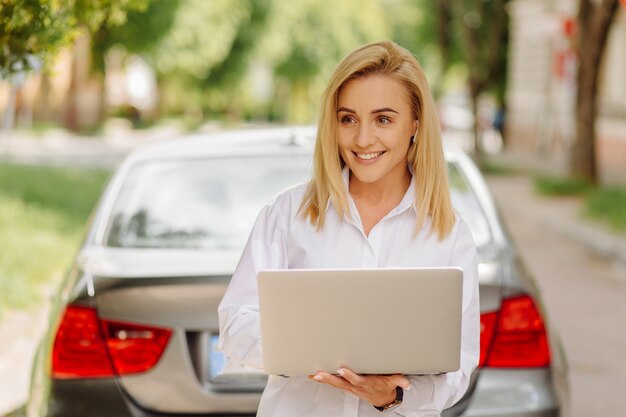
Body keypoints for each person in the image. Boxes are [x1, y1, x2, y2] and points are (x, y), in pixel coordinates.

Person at [218, 40, 480, 417]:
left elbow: (458, 368)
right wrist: (312, 352)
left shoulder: (449, 234)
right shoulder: (288, 214)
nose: (362, 139)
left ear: (415, 125)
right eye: (348, 119)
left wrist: (390, 396)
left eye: (384, 119)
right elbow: (235, 322)